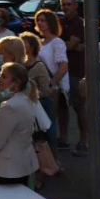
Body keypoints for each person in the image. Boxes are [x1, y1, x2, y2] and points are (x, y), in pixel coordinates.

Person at [0, 62, 40, 184]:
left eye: (3, 76)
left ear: (15, 83)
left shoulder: (10, 106)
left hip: (4, 170)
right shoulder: (26, 100)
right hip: (19, 167)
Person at [57, 0, 88, 156]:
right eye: (63, 4)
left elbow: (70, 44)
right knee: (62, 106)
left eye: (69, 4)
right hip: (61, 71)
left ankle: (83, 141)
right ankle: (63, 139)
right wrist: (69, 45)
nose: (66, 7)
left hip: (76, 70)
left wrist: (64, 44)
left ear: (76, 6)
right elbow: (66, 45)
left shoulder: (79, 23)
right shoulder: (60, 22)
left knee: (78, 106)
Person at [35, 8, 68, 152]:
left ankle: (52, 156)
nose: (40, 23)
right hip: (38, 88)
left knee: (49, 121)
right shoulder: (39, 42)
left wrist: (52, 83)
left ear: (51, 22)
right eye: (38, 20)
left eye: (43, 20)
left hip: (52, 87)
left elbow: (63, 67)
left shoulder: (57, 42)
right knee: (40, 122)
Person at [21, 31, 56, 154]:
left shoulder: (39, 66)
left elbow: (46, 91)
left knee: (45, 136)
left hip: (39, 106)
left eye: (23, 44)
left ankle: (51, 157)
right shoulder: (20, 65)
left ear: (31, 47)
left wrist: (30, 95)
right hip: (25, 108)